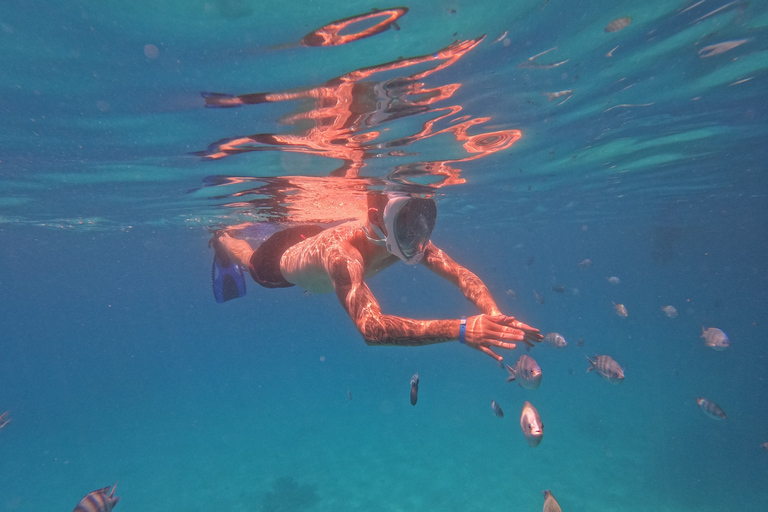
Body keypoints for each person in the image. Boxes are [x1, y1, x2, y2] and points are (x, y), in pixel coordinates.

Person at [210, 192, 542, 361]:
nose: (419, 241)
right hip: (276, 263)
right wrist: (462, 329)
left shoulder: (405, 238)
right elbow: (373, 330)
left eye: (422, 226)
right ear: (376, 219)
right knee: (246, 257)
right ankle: (223, 239)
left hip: (311, 235)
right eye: (408, 228)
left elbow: (459, 274)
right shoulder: (343, 256)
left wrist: (493, 312)